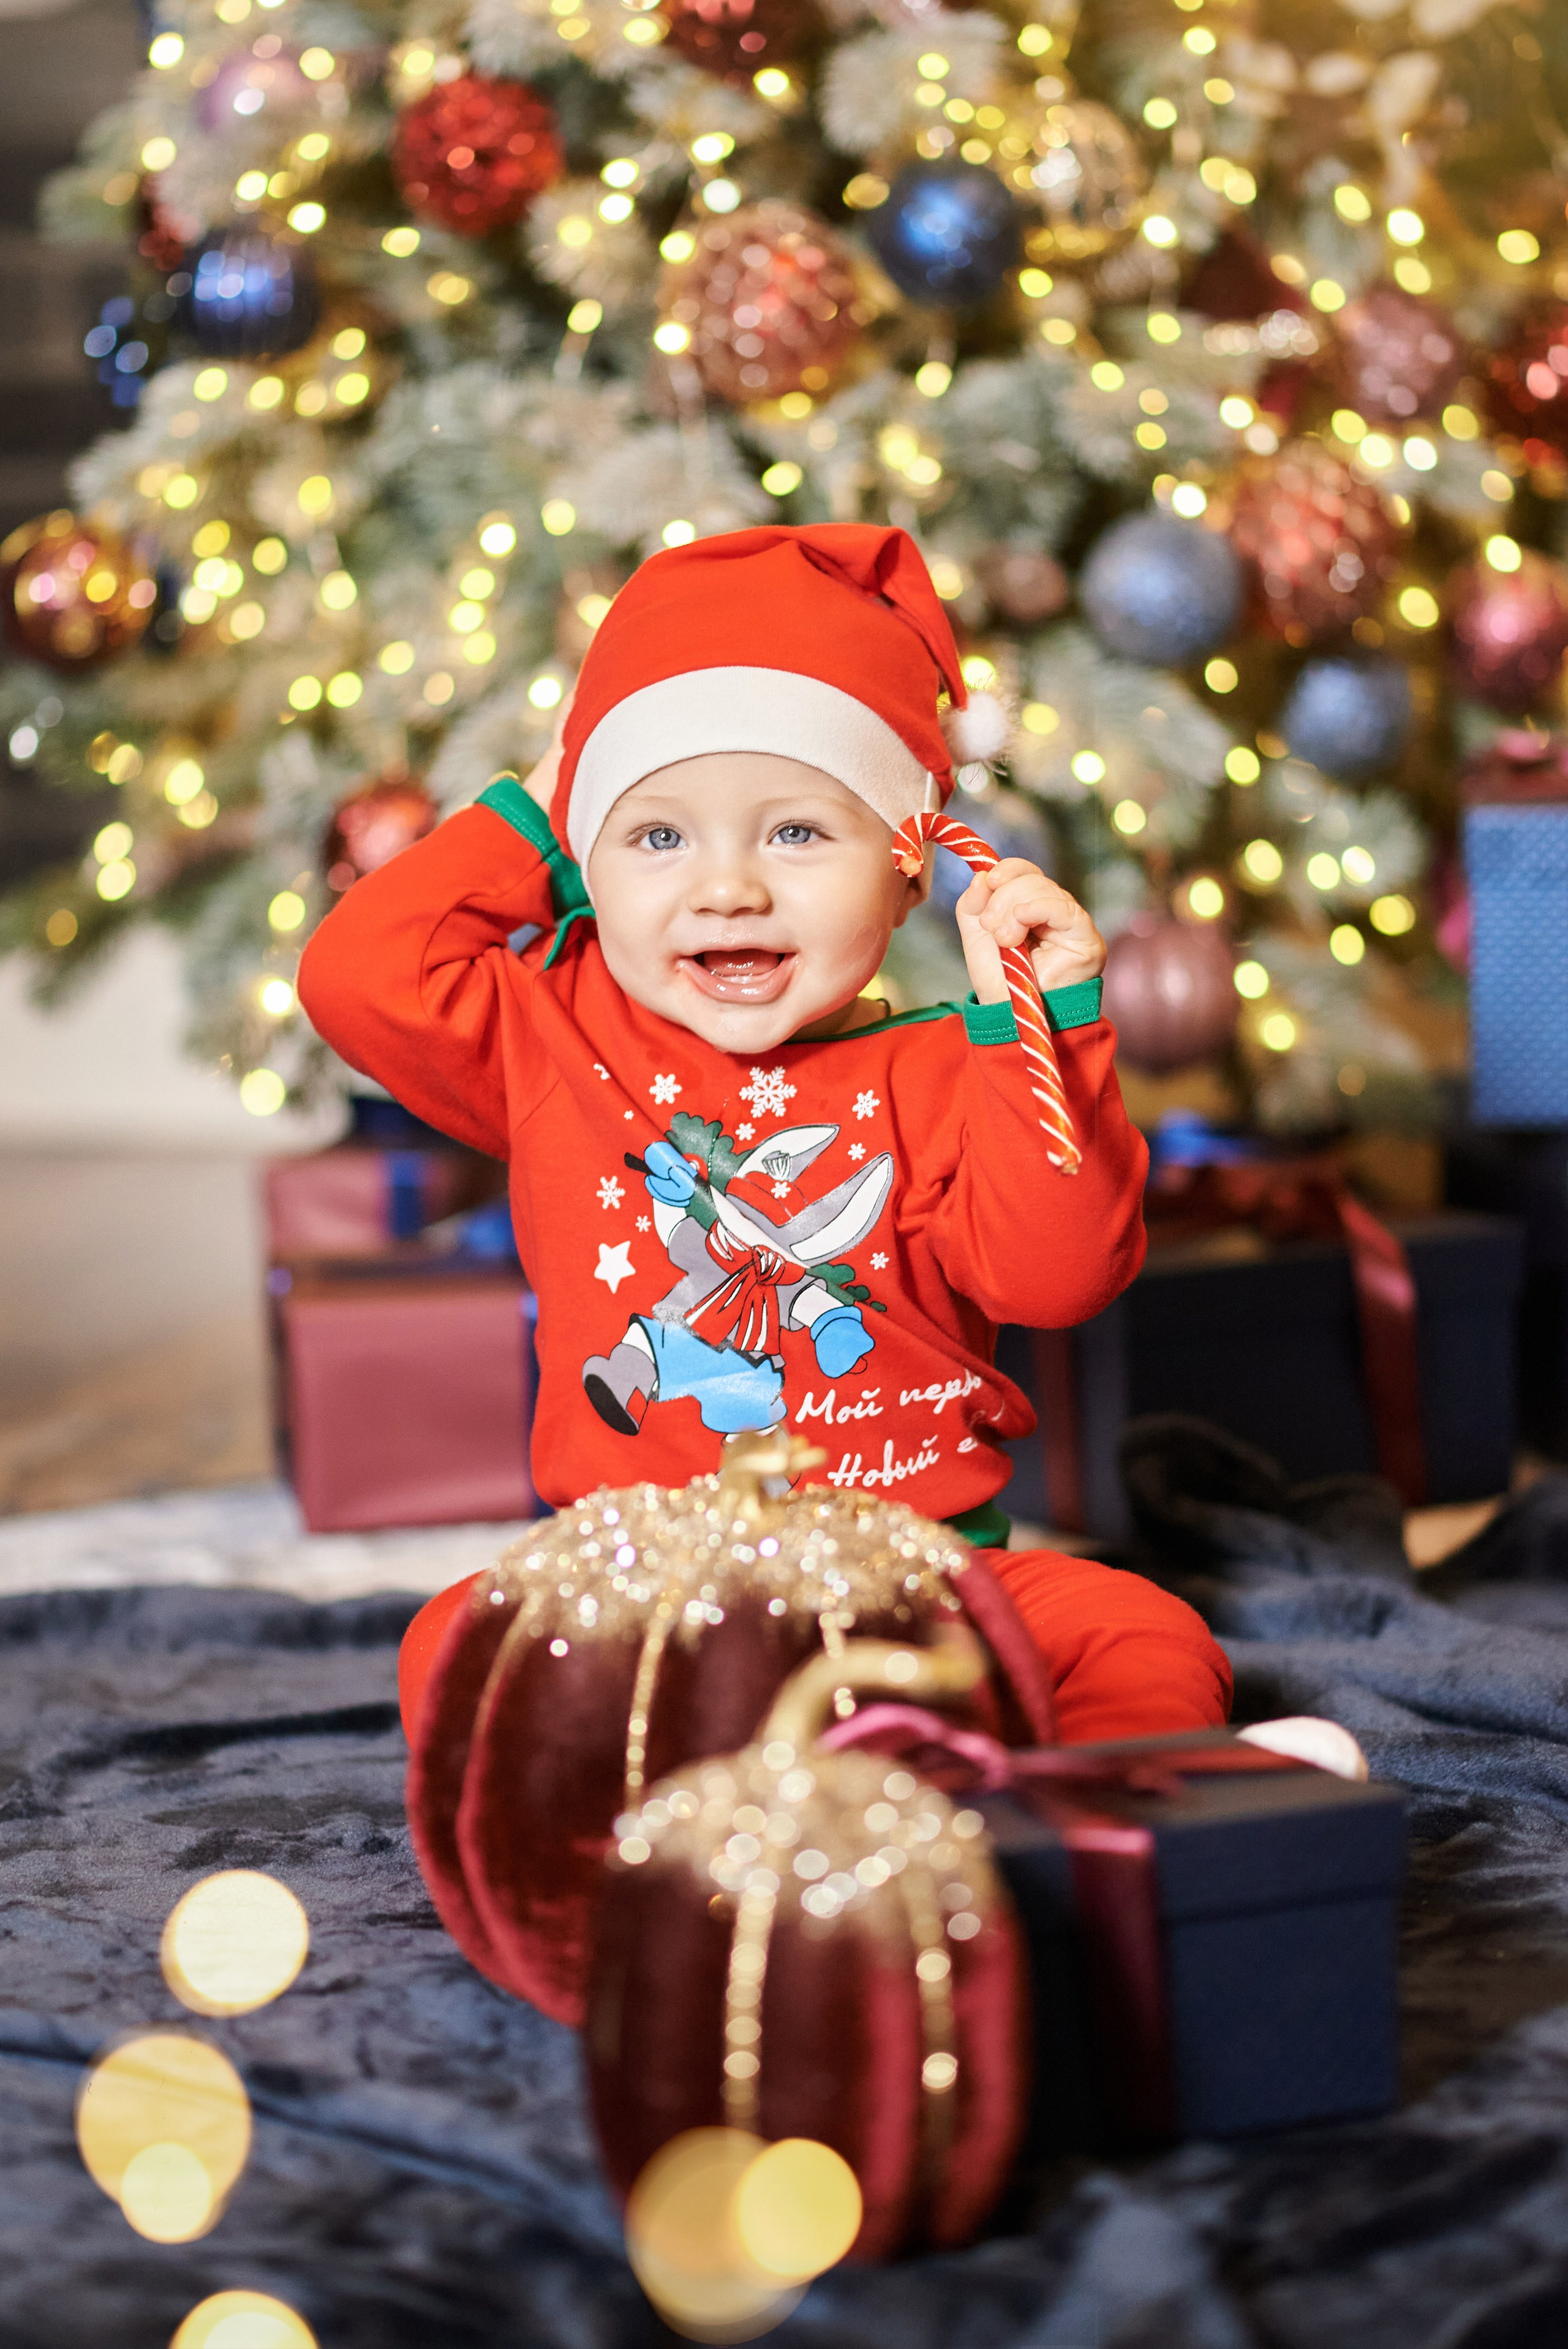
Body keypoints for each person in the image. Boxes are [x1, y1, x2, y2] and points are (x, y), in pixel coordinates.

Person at [301, 522, 1233, 1747]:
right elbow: (357, 975)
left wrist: (1043, 1025)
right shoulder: (557, 1035)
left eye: (796, 833)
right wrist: (538, 808)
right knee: (456, 1643)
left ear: (909, 871)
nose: (727, 887)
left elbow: (1060, 1278)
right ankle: (706, 1791)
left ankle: (1081, 1804)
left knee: (1141, 1631)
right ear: (585, 861)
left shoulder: (956, 1069)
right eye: (657, 836)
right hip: (646, 1591)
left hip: (914, 1581)